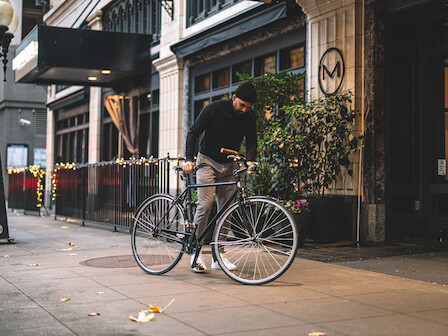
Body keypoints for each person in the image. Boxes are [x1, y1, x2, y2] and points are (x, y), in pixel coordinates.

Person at [183, 81, 257, 272]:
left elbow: (251, 142)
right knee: (206, 205)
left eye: (249, 107)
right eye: (242, 105)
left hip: (228, 164)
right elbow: (193, 132)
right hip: (206, 161)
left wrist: (250, 161)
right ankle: (196, 252)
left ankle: (218, 255)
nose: (245, 110)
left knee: (227, 210)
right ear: (234, 98)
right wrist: (189, 159)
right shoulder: (214, 109)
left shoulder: (249, 117)